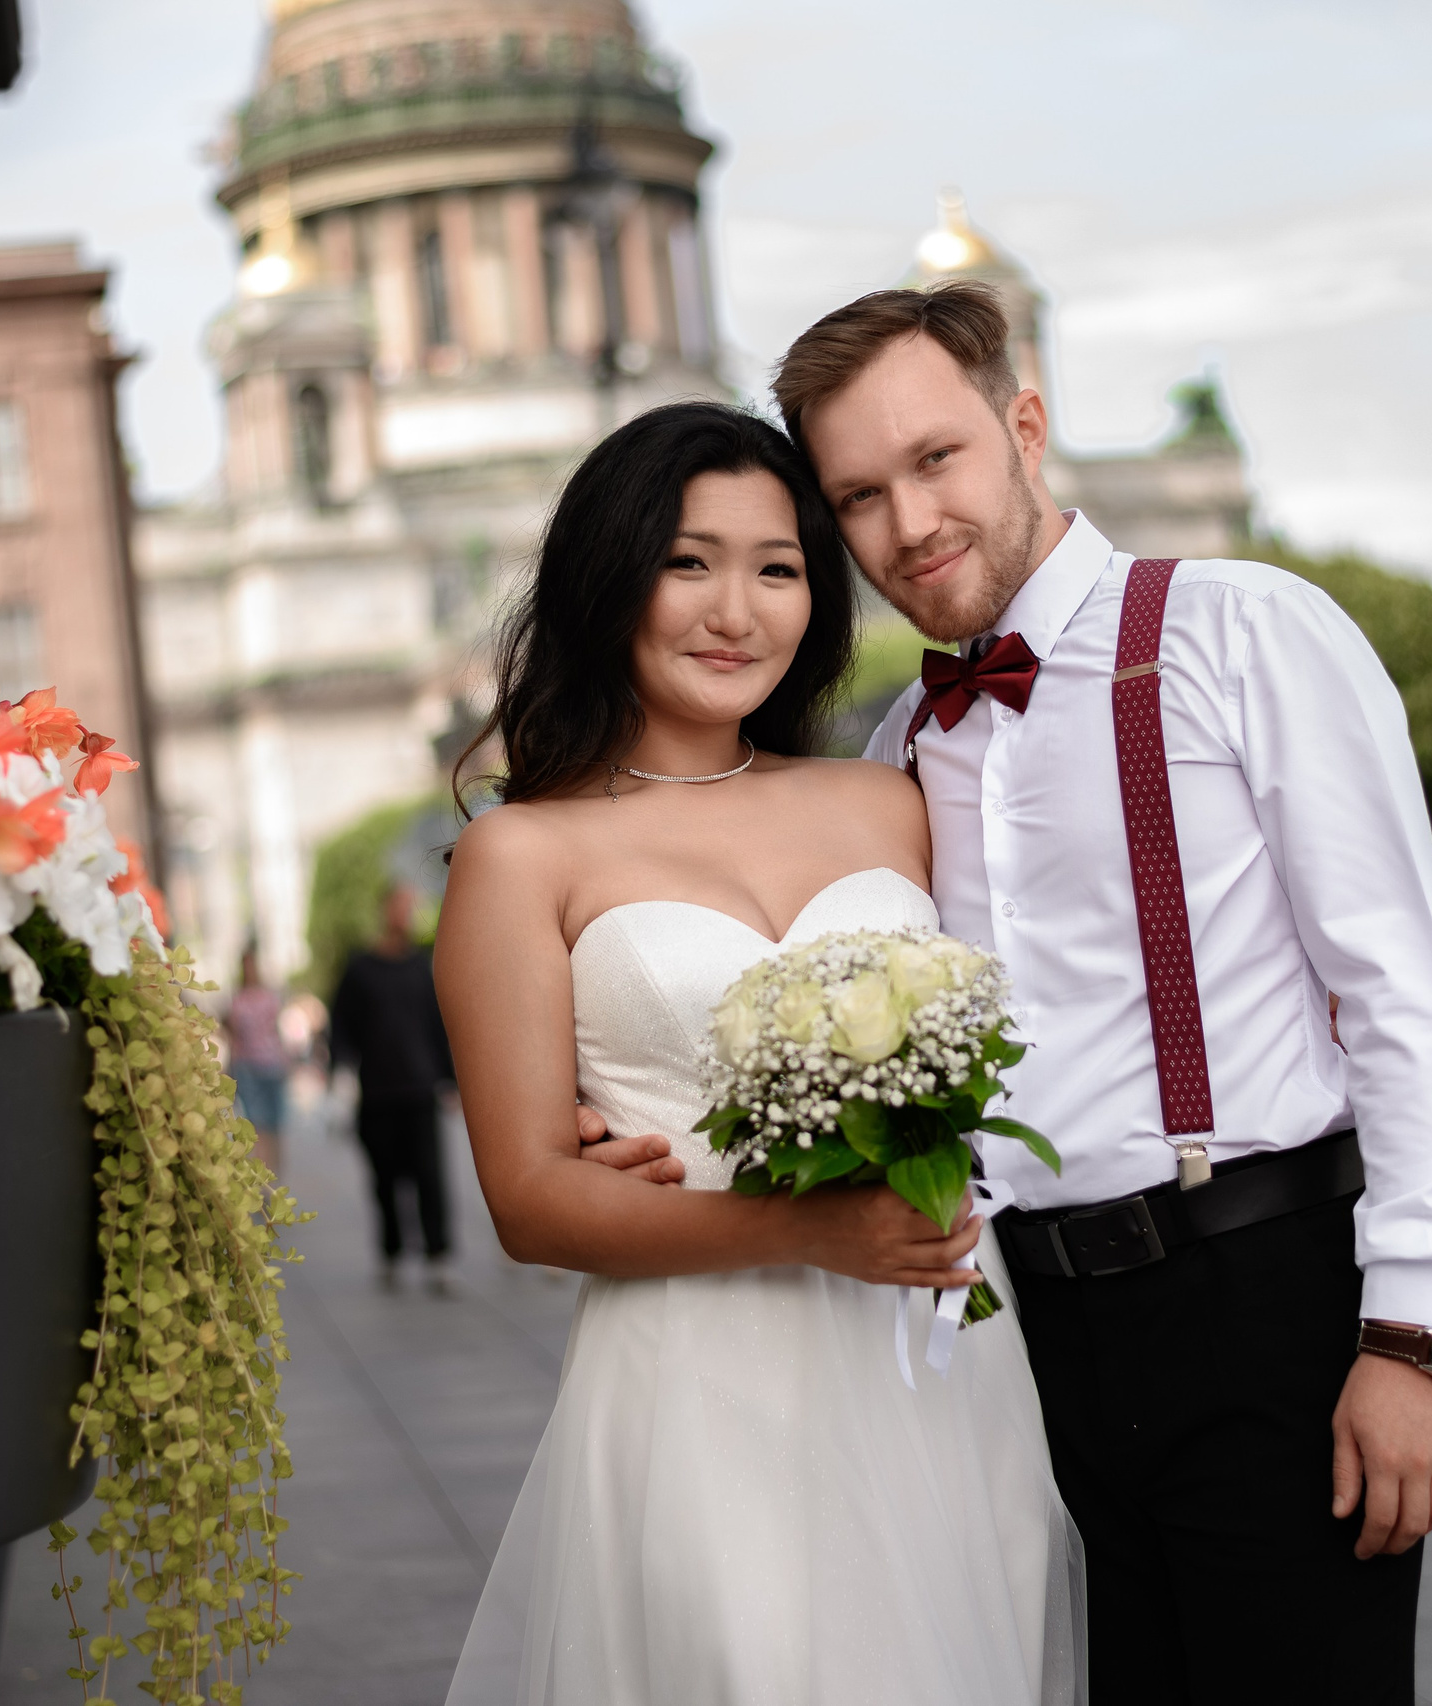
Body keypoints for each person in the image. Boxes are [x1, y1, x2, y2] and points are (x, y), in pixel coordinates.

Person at [775, 280, 1432, 1704]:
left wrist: (1413, 1336)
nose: (909, 524)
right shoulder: (900, 744)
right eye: (859, 494)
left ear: (1024, 426)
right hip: (1028, 1349)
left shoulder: (1243, 632)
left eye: (936, 458)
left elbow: (1401, 987)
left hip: (1260, 1300)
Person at [435, 400, 1075, 1705]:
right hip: (702, 1381)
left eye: (777, 568)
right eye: (689, 562)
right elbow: (529, 1199)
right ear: (609, 577)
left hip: (937, 1356)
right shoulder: (520, 854)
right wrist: (806, 1229)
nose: (736, 611)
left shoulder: (887, 799)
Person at [329, 884, 457, 1292]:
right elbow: (341, 1025)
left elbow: (437, 1024)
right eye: (401, 905)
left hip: (420, 1089)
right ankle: (392, 1252)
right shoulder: (360, 968)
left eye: (411, 906)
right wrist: (341, 1077)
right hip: (377, 1092)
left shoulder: (420, 966)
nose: (407, 913)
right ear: (385, 909)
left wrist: (449, 1079)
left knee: (430, 1176)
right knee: (384, 1179)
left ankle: (438, 1256)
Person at [223, 946, 289, 1174]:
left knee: (268, 1123)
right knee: (263, 1124)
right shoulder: (252, 1000)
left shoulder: (244, 1001)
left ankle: (269, 1173)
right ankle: (268, 1173)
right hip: (256, 1065)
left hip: (264, 1064)